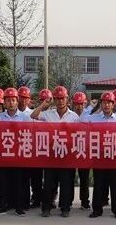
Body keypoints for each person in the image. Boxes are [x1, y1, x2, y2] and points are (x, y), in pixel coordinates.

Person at [31, 85, 80, 217]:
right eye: (57, 98)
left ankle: (65, 208)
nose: (60, 101)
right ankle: (46, 208)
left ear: (67, 99)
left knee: (66, 183)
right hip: (51, 154)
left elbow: (78, 135)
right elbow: (33, 115)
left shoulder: (74, 117)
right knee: (49, 183)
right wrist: (43, 105)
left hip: (67, 154)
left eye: (62, 98)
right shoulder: (48, 114)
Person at [85, 91, 116, 219]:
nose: (106, 105)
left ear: (113, 104)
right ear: (100, 104)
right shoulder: (93, 118)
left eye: (109, 103)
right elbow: (82, 123)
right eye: (104, 103)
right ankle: (97, 210)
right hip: (99, 155)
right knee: (98, 184)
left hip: (114, 155)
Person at [0, 88, 32, 216]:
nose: (11, 103)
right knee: (3, 181)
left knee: (19, 181)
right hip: (3, 154)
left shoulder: (24, 117)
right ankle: (3, 205)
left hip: (19, 154)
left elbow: (29, 135)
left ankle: (19, 207)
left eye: (13, 100)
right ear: (4, 102)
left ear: (17, 101)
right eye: (8, 100)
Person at [70, 92, 92, 209]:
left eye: (81, 104)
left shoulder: (90, 115)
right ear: (73, 104)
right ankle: (68, 201)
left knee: (84, 177)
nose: (79, 107)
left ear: (85, 103)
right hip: (70, 149)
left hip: (84, 149)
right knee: (69, 177)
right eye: (77, 104)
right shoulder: (69, 115)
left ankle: (85, 201)